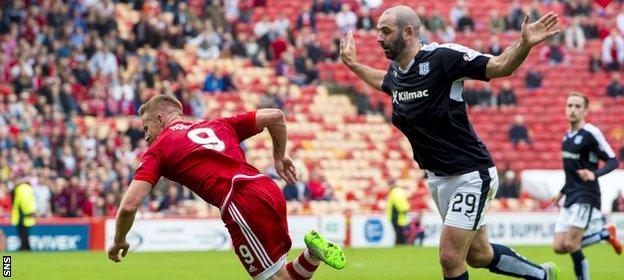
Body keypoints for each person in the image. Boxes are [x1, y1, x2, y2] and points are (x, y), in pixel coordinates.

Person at [340, 5, 561, 280]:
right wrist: (353, 65)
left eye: (385, 31)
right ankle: (542, 275)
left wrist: (524, 45)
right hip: (438, 178)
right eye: (378, 32)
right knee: (479, 254)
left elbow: (500, 66)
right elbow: (385, 83)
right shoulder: (397, 73)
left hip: (470, 172)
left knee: (449, 257)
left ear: (408, 32)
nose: (378, 38)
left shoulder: (443, 58)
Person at [107, 95, 346, 279]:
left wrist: (119, 240)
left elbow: (128, 206)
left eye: (146, 129)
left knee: (273, 277)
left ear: (160, 120)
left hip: (240, 200)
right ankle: (312, 254)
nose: (147, 137)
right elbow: (275, 115)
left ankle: (313, 254)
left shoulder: (158, 149)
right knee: (279, 274)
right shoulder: (217, 125)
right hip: (267, 188)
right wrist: (279, 157)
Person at [550, 92, 622, 280]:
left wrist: (594, 174)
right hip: (571, 195)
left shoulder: (591, 133)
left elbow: (613, 160)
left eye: (577, 106)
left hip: (587, 195)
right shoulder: (566, 137)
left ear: (585, 111)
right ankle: (604, 234)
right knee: (559, 246)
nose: (572, 110)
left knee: (572, 244)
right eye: (569, 106)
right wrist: (560, 192)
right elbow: (572, 174)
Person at [11, 177, 37, 251]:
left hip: (22, 214)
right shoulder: (28, 188)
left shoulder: (21, 188)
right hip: (26, 213)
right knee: (25, 232)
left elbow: (23, 201)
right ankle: (25, 246)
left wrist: (27, 212)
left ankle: (24, 247)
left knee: (22, 232)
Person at [386, 181, 410, 245]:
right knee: (400, 233)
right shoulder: (400, 191)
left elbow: (399, 202)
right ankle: (401, 245)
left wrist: (403, 209)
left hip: (397, 216)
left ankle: (399, 245)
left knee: (399, 233)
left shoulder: (395, 192)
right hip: (401, 216)